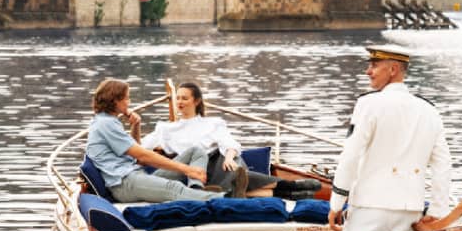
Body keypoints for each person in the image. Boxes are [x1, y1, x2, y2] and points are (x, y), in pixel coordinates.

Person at [327, 46, 452, 231]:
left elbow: (350, 156)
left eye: (374, 65)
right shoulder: (429, 111)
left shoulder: (368, 104)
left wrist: (336, 203)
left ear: (393, 69)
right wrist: (438, 210)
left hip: (369, 209)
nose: (368, 71)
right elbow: (443, 165)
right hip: (410, 212)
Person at [142, 82, 305, 199]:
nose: (179, 103)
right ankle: (289, 189)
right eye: (177, 98)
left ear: (196, 101)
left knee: (233, 166)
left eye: (184, 98)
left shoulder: (212, 123)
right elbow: (138, 148)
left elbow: (229, 143)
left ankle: (226, 190)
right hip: (198, 170)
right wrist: (135, 125)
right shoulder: (165, 129)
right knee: (237, 178)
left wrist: (228, 157)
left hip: (220, 161)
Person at [84, 79, 222, 203]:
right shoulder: (106, 124)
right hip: (124, 183)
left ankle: (196, 190)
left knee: (196, 152)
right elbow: (143, 155)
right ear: (115, 101)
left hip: (134, 174)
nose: (129, 102)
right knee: (174, 188)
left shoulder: (108, 121)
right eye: (126, 98)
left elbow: (137, 157)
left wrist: (135, 126)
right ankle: (228, 198)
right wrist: (188, 170)